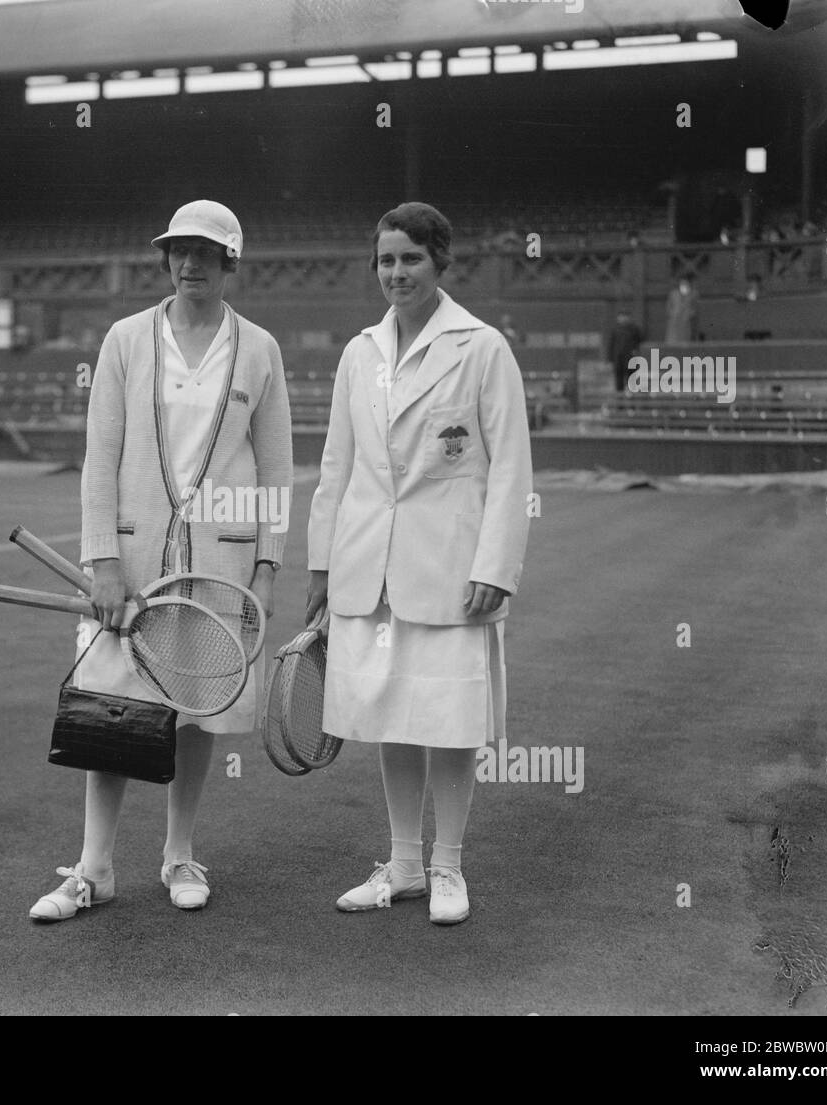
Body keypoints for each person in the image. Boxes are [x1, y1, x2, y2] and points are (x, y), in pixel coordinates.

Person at [29, 200, 294, 922]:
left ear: (229, 261)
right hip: (135, 565)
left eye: (206, 252)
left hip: (221, 569)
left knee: (199, 713)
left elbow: (276, 471)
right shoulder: (123, 339)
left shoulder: (261, 349)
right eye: (179, 250)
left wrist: (267, 570)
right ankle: (95, 868)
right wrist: (101, 561)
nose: (190, 263)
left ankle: (180, 854)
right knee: (113, 708)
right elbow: (100, 458)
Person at [306, 202, 532, 926]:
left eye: (409, 258)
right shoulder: (358, 353)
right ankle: (403, 864)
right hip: (368, 569)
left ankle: (448, 867)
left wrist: (494, 564)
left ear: (440, 262)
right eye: (385, 260)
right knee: (391, 714)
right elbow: (335, 466)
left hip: (452, 570)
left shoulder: (482, 347)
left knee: (451, 719)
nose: (396, 272)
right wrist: (321, 565)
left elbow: (511, 470)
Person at [607, 310, 643, 392]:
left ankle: (632, 402)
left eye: (625, 316)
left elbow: (640, 342)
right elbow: (611, 344)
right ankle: (620, 403)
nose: (623, 319)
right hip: (618, 359)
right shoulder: (615, 329)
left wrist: (636, 352)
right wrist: (610, 358)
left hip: (631, 359)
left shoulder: (634, 329)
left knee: (632, 381)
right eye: (621, 316)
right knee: (619, 383)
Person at [664, 275, 698, 343]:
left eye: (686, 283)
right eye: (682, 283)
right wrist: (672, 314)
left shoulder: (693, 294)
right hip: (674, 319)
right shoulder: (673, 293)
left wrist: (690, 314)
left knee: (685, 338)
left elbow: (695, 307)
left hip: (686, 320)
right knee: (673, 338)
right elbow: (668, 306)